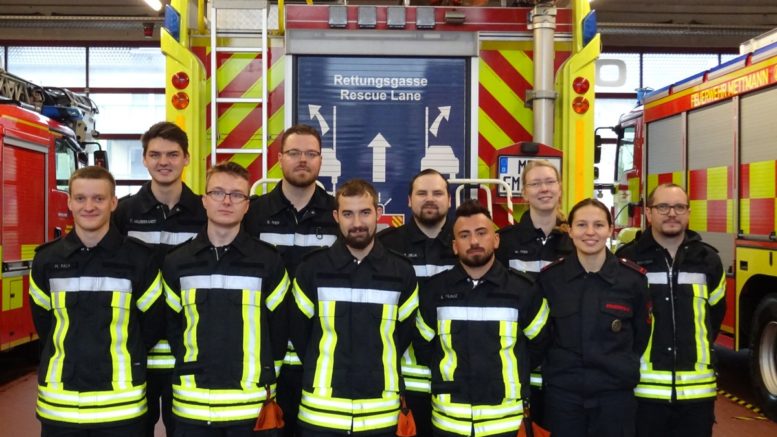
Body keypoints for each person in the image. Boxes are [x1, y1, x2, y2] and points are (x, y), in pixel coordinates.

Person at [29, 166, 164, 436]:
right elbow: (45, 326)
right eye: (80, 198)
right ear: (69, 202)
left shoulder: (139, 259)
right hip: (61, 405)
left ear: (113, 202)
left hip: (122, 406)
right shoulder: (46, 260)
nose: (89, 206)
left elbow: (152, 326)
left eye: (99, 199)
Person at [162, 162, 290, 436]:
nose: (227, 201)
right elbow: (172, 327)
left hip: (252, 406)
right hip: (191, 406)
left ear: (247, 205)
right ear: (204, 200)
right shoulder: (176, 262)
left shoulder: (269, 261)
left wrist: (265, 376)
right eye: (218, 193)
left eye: (237, 195)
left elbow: (279, 329)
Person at [290, 179, 419, 436]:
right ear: (336, 216)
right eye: (348, 214)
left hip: (381, 414)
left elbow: (403, 336)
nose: (357, 223)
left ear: (378, 214)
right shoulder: (311, 269)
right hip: (321, 413)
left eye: (365, 212)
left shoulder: (401, 272)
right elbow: (300, 333)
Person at [415, 200, 550, 437]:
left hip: (506, 423)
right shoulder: (434, 291)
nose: (474, 242)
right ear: (455, 246)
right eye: (464, 236)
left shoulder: (524, 290)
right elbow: (423, 347)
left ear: (496, 240)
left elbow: (539, 345)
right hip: (449, 423)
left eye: (481, 233)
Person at [243, 124, 339, 437]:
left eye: (311, 154)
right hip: (264, 352)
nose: (303, 160)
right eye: (294, 153)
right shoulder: (253, 214)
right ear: (280, 158)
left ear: (320, 160)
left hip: (320, 353)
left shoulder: (338, 215)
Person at [113, 120, 207, 437]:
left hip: (189, 349)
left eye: (172, 154)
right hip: (136, 350)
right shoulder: (123, 213)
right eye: (155, 154)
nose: (163, 162)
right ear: (144, 159)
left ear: (186, 158)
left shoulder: (204, 213)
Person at [616, 183, 725, 437]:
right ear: (648, 213)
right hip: (643, 391)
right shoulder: (627, 260)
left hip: (698, 394)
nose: (672, 213)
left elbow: (714, 316)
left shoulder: (708, 260)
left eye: (679, 207)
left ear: (688, 212)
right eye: (663, 207)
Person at [539, 198, 651, 437]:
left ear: (610, 229)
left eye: (599, 225)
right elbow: (544, 336)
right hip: (564, 399)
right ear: (569, 230)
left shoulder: (632, 280)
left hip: (615, 398)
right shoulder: (551, 279)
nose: (590, 232)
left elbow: (641, 336)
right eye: (581, 225)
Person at [377, 168, 458, 436]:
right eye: (422, 193)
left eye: (437, 193)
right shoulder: (386, 246)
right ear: (409, 201)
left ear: (449, 200)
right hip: (402, 378)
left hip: (457, 377)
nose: (430, 199)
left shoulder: (469, 245)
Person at [495, 159, 573, 424]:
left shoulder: (575, 241)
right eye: (535, 183)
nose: (544, 189)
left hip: (565, 364)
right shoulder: (505, 242)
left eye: (550, 182)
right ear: (524, 193)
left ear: (560, 189)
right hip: (520, 361)